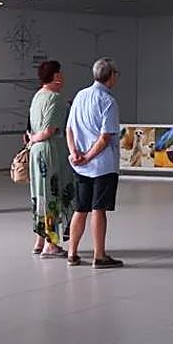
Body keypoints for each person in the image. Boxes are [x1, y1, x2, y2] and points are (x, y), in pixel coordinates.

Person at [66, 58, 124, 268]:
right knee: (99, 209)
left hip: (80, 165)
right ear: (110, 76)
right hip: (102, 165)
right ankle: (99, 255)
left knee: (80, 209)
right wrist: (89, 156)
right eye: (116, 73)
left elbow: (69, 129)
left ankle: (72, 253)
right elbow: (105, 137)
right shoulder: (108, 101)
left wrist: (75, 154)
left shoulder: (80, 95)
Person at [26, 60, 73, 257]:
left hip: (37, 152)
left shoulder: (38, 96)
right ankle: (51, 244)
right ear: (55, 76)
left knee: (41, 194)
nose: (62, 76)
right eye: (60, 73)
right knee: (52, 195)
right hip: (50, 150)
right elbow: (49, 130)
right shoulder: (56, 99)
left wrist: (31, 141)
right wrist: (36, 139)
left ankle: (40, 240)